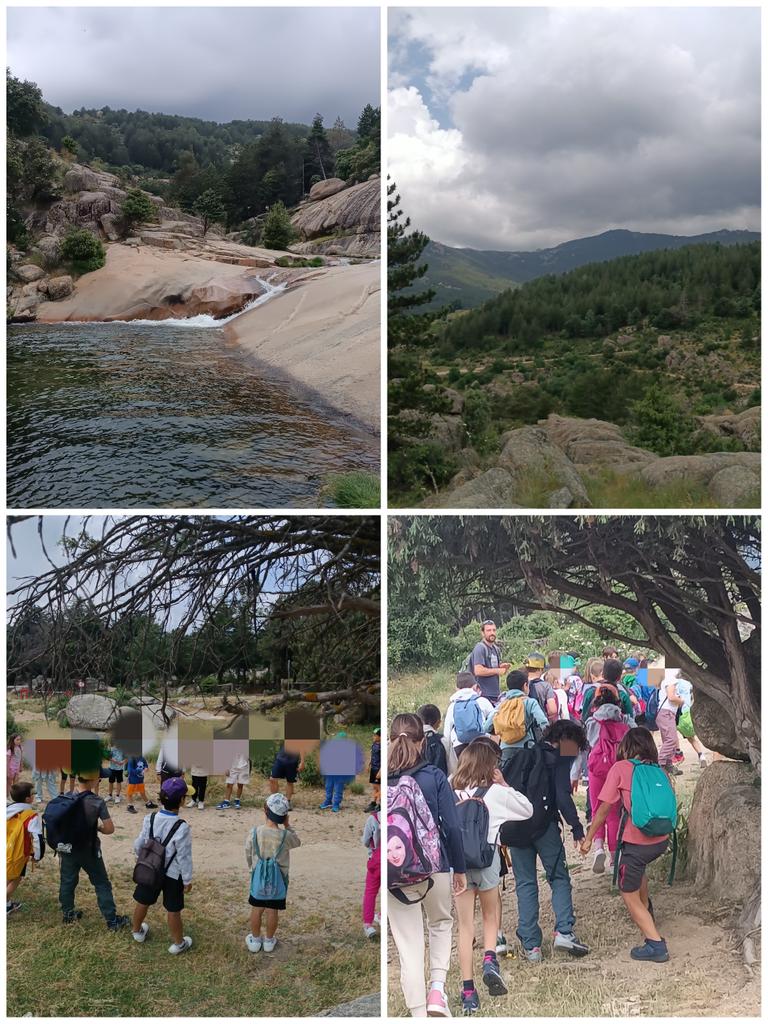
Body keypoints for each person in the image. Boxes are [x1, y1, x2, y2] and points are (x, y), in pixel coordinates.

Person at [387, 713, 467, 1017]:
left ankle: (418, 1013)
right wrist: (458, 869)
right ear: (422, 740)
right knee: (441, 923)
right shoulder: (433, 776)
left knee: (408, 945)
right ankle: (437, 990)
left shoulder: (383, 778)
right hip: (434, 867)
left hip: (394, 872)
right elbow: (454, 828)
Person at [451, 738, 533, 1014]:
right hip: (487, 861)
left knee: (464, 927)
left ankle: (468, 992)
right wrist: (504, 784)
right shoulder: (495, 793)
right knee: (490, 914)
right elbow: (527, 809)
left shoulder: (452, 789)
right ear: (491, 765)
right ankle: (489, 960)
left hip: (458, 865)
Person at [580, 728, 673, 962]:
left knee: (627, 892)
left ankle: (655, 945)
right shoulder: (658, 769)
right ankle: (646, 912)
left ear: (626, 747)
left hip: (637, 843)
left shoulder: (621, 768)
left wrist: (590, 838)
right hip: (661, 840)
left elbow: (603, 809)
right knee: (637, 872)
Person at [503, 720, 590, 963]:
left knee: (525, 883)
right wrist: (576, 826)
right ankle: (564, 931)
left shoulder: (526, 754)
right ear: (569, 742)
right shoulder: (559, 757)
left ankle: (532, 947)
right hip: (545, 827)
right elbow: (562, 795)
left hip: (516, 827)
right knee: (559, 878)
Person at [51, 774, 129, 930]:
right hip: (89, 849)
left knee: (67, 881)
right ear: (93, 781)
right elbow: (110, 829)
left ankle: (68, 914)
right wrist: (97, 828)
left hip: (67, 849)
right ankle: (112, 920)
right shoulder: (97, 801)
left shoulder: (66, 797)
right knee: (101, 883)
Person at [131, 777, 193, 954]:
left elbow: (139, 844)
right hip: (172, 874)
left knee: (143, 900)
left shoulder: (149, 818)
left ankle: (137, 930)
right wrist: (187, 879)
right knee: (173, 909)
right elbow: (184, 856)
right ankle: (178, 943)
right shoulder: (181, 827)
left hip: (150, 869)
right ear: (181, 800)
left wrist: (142, 858)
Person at [245, 792, 300, 953]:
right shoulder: (285, 835)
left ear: (265, 810)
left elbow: (248, 852)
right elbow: (297, 842)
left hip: (258, 879)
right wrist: (288, 825)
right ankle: (269, 940)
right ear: (284, 817)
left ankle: (255, 940)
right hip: (279, 880)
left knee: (257, 909)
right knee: (272, 911)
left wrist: (252, 870)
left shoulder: (255, 832)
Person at [585, 688, 630, 873]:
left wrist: (573, 775)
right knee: (613, 814)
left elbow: (585, 744)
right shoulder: (625, 720)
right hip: (617, 769)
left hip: (596, 768)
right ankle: (614, 858)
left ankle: (597, 848)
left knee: (597, 809)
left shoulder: (591, 721)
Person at [483, 670, 548, 767]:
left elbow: (486, 727)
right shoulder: (530, 702)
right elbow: (543, 723)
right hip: (527, 748)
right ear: (525, 685)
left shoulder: (502, 705)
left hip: (506, 749)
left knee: (507, 779)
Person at [443, 671, 495, 768]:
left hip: (460, 748)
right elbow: (494, 720)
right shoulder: (482, 701)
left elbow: (447, 734)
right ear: (475, 686)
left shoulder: (452, 706)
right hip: (482, 745)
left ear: (456, 689)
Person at [7, 781, 44, 915]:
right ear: (28, 798)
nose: (34, 795)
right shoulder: (30, 815)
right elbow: (37, 838)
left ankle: (7, 903)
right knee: (16, 878)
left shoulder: (7, 808)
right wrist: (38, 855)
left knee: (7, 876)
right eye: (33, 793)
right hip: (18, 853)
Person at [468, 620, 511, 705]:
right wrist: (498, 670)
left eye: (494, 630)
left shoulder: (496, 649)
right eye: (488, 630)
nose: (492, 633)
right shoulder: (480, 648)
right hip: (482, 695)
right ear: (482, 633)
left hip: (495, 693)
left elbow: (491, 666)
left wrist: (502, 666)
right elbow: (478, 670)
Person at [674, 674, 708, 766]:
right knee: (695, 736)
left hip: (678, 715)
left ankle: (677, 754)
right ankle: (702, 756)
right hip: (689, 712)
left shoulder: (673, 685)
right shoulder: (687, 684)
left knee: (688, 738)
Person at [657, 671, 684, 776]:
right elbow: (671, 697)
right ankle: (660, 763)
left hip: (664, 713)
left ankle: (668, 764)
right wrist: (682, 701)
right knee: (671, 740)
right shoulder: (671, 679)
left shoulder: (666, 679)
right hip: (666, 713)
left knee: (667, 739)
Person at [361, 807, 381, 939]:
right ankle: (381, 915)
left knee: (370, 892)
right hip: (392, 862)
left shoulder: (373, 818)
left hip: (375, 860)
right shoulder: (396, 815)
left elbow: (365, 841)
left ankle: (368, 924)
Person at [524, 654, 558, 723]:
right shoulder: (546, 686)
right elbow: (552, 710)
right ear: (540, 669)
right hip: (540, 723)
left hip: (524, 724)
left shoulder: (522, 684)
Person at [417, 704, 450, 776]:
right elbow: (453, 768)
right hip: (439, 783)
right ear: (438, 723)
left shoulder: (410, 740)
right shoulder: (443, 740)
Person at [367, 727, 382, 811]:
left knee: (379, 787)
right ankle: (374, 803)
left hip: (378, 769)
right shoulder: (374, 744)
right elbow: (372, 755)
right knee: (374, 787)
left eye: (375, 735)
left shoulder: (381, 746)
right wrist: (369, 764)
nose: (374, 736)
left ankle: (380, 804)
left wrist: (380, 771)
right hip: (373, 768)